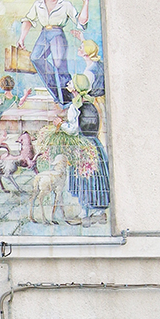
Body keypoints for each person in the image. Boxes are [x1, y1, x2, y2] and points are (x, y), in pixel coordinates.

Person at [17, 0, 91, 107]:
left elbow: (81, 22)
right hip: (44, 33)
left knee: (59, 65)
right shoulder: (39, 4)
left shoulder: (65, 5)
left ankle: (67, 99)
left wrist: (86, 2)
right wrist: (21, 38)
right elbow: (28, 20)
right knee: (35, 58)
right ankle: (57, 93)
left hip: (57, 34)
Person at [56, 73, 109, 226]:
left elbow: (73, 130)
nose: (68, 84)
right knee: (96, 179)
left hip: (82, 147)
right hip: (95, 145)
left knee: (84, 180)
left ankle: (84, 215)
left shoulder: (75, 107)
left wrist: (60, 124)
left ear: (76, 88)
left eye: (71, 83)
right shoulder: (92, 104)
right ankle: (99, 213)